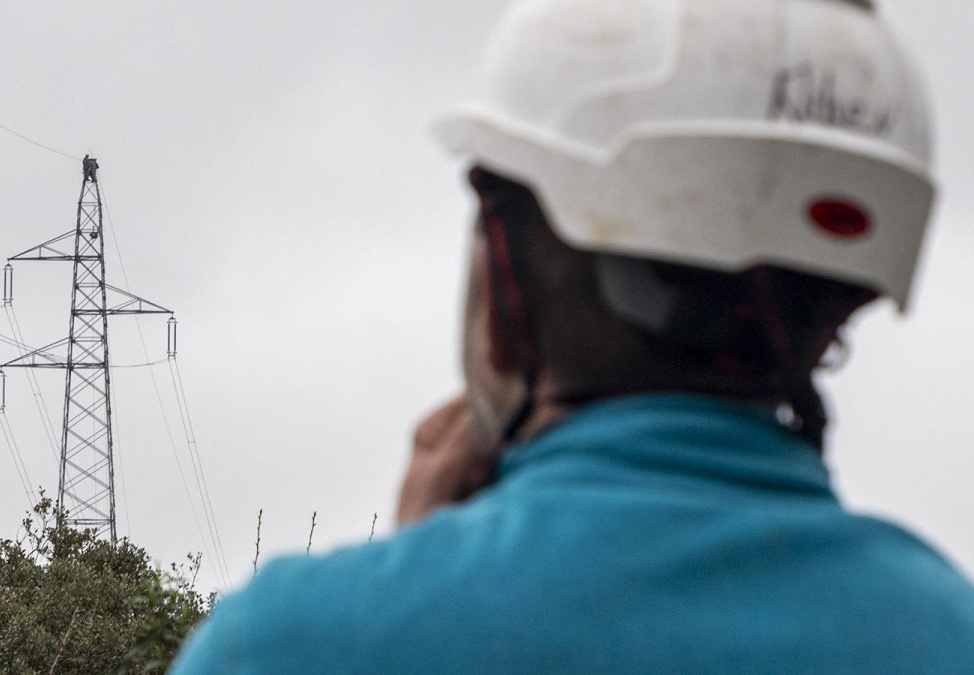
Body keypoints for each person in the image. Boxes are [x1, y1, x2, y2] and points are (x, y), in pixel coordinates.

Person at [169, 0, 974, 672]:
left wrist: (413, 588)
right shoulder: (950, 636)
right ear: (839, 304)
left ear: (507, 265)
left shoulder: (284, 644)